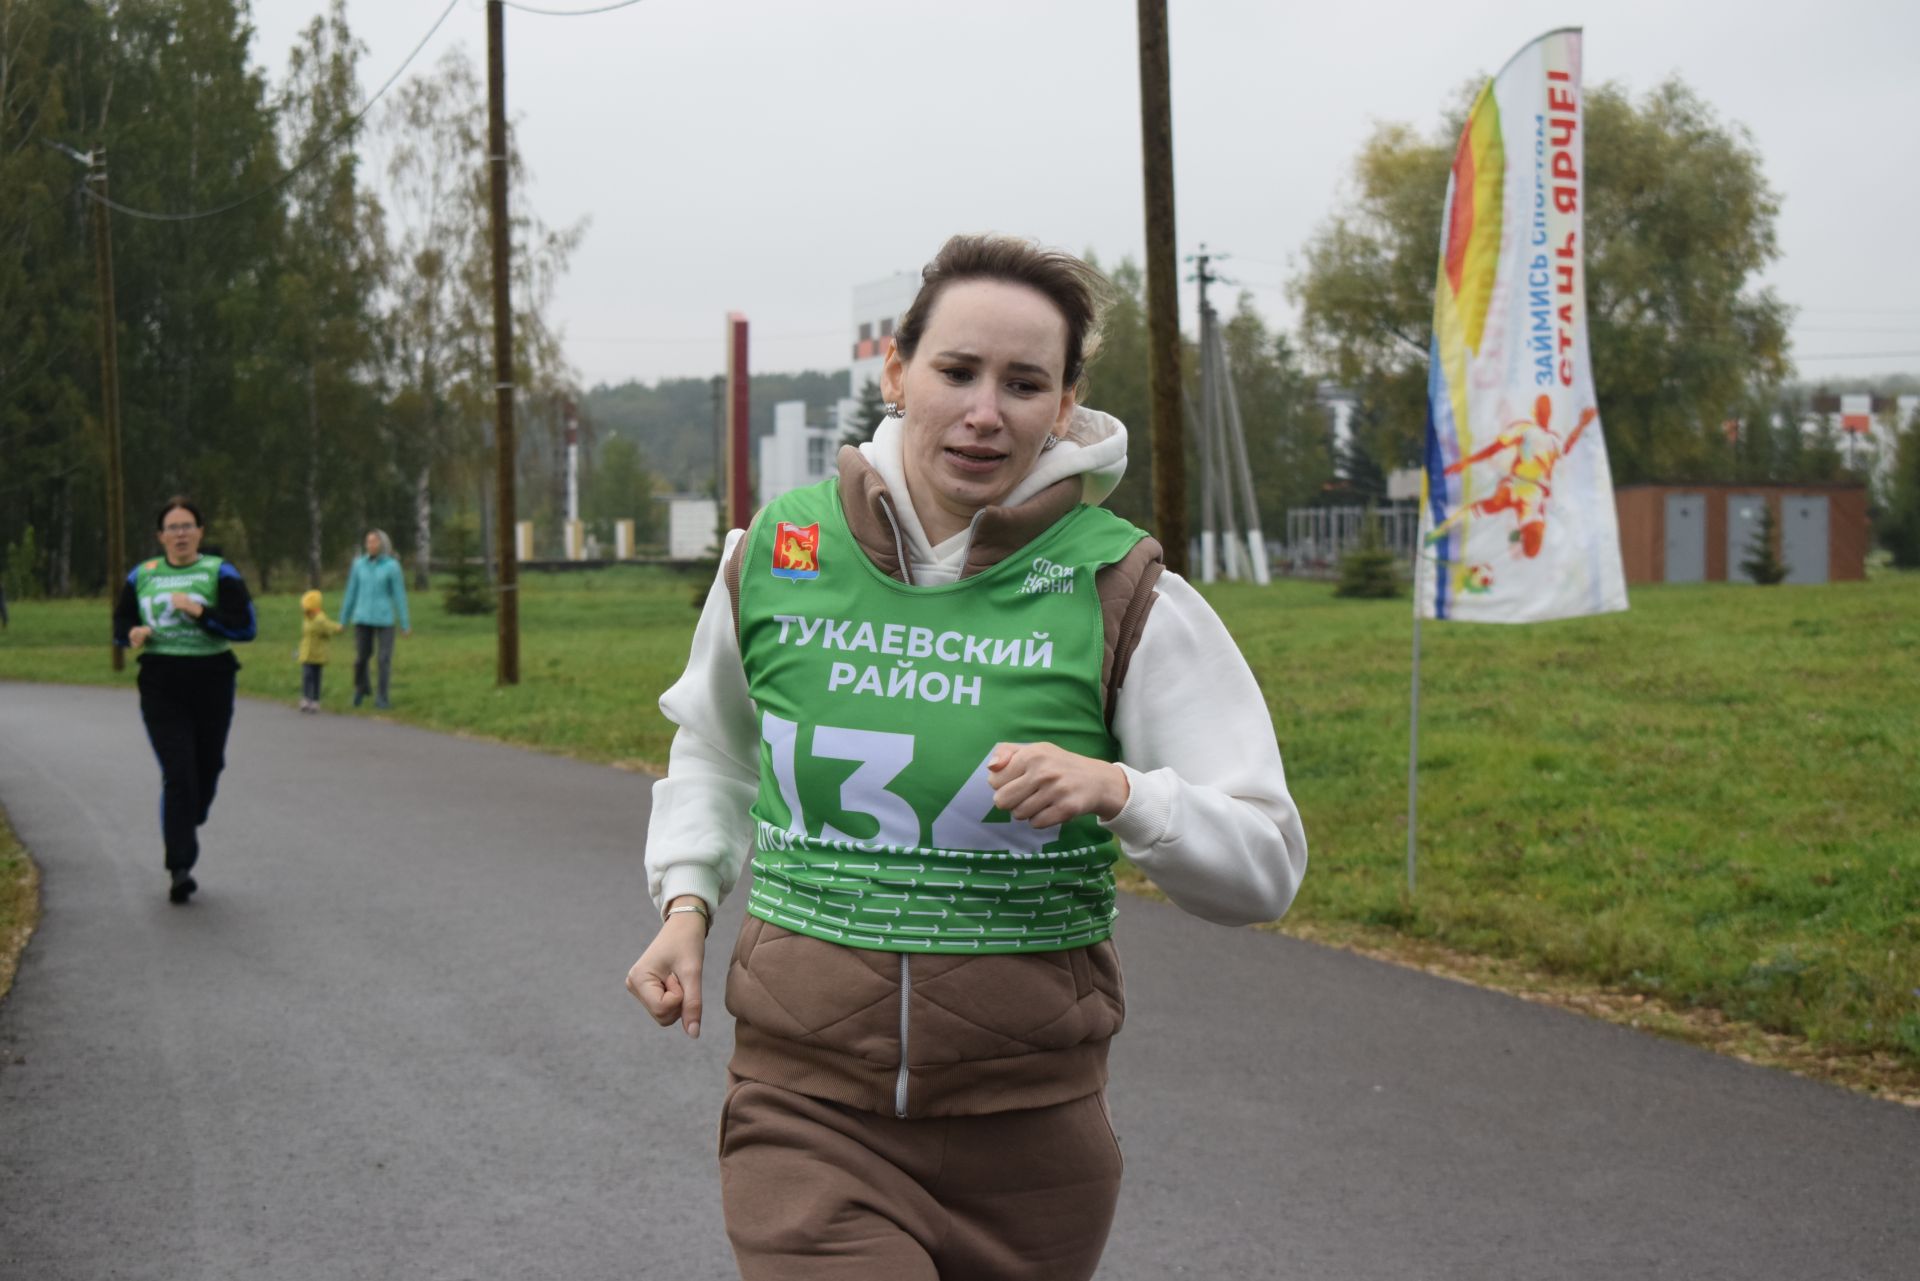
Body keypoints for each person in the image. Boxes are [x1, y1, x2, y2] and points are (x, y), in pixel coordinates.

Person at [626, 234, 1308, 1280]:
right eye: (957, 371)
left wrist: (1123, 793)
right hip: (805, 1111)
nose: (987, 411)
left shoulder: (1126, 593)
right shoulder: (774, 555)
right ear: (897, 372)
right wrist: (686, 904)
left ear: (1067, 404)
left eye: (1024, 382)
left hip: (1032, 1139)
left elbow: (1265, 865)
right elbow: (717, 746)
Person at [113, 497, 258, 903]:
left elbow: (245, 627)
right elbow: (121, 622)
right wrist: (131, 635)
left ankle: (189, 814)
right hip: (161, 682)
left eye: (187, 526)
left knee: (208, 766)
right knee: (178, 773)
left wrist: (199, 611)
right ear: (160, 536)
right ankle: (180, 867)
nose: (180, 534)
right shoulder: (142, 574)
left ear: (200, 533)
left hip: (212, 680)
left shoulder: (219, 571)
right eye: (172, 528)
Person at [338, 528, 409, 709]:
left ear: (383, 544)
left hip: (384, 619)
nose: (370, 545)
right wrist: (343, 619)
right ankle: (361, 688)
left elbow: (399, 595)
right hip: (362, 617)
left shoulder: (392, 566)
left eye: (374, 541)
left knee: (384, 659)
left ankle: (382, 698)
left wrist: (405, 623)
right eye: (368, 541)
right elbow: (351, 592)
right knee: (361, 657)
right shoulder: (359, 565)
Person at [297, 589, 343, 713]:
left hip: (318, 655)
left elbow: (329, 627)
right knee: (307, 676)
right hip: (306, 653)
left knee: (316, 678)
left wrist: (338, 628)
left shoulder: (320, 619)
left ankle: (315, 700)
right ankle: (306, 698)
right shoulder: (306, 619)